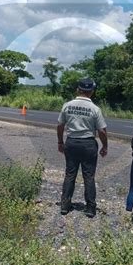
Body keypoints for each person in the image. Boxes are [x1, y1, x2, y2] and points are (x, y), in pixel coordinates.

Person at [57, 78, 108, 218]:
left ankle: (65, 205)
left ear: (78, 90)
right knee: (89, 176)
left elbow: (60, 125)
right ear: (91, 92)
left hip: (72, 142)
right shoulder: (95, 109)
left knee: (70, 174)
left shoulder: (67, 105)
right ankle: (90, 208)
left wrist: (60, 142)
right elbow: (102, 131)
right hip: (88, 144)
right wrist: (105, 146)